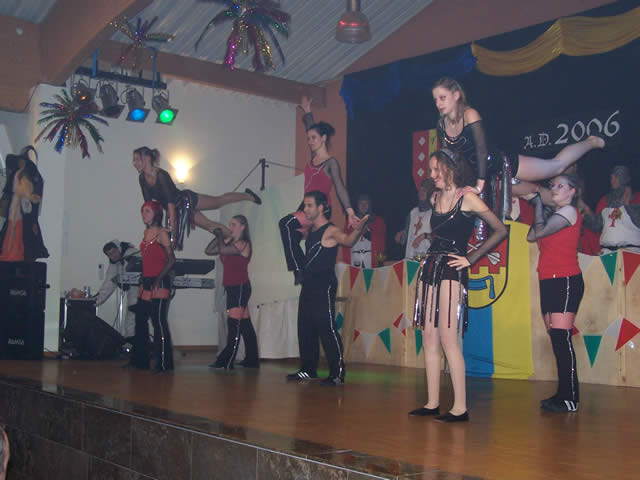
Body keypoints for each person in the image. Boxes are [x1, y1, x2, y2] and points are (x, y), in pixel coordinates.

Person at [409, 149, 507, 422]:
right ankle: (432, 403)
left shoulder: (467, 197)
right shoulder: (434, 197)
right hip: (430, 267)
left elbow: (500, 229)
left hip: (452, 269)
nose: (431, 175)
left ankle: (460, 407)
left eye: (435, 169)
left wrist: (472, 258)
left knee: (448, 339)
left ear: (450, 167)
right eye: (430, 170)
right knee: (429, 336)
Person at [432, 78, 605, 204]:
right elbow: (448, 160)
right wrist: (446, 188)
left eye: (442, 98)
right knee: (534, 191)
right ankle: (566, 208)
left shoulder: (470, 114)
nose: (438, 103)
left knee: (555, 166)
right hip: (486, 178)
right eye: (435, 99)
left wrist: (479, 186)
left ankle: (592, 142)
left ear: (456, 95)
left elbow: (482, 151)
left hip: (501, 165)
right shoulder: (441, 125)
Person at [286, 190, 369, 385]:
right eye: (305, 206)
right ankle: (308, 370)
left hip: (323, 284)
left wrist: (358, 229)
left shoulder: (330, 230)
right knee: (305, 327)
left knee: (326, 327)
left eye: (309, 206)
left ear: (321, 207)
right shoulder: (310, 230)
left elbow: (348, 241)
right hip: (309, 284)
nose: (305, 209)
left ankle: (337, 372)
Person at [279, 96, 358, 284]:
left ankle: (298, 269)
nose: (310, 141)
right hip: (306, 206)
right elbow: (311, 128)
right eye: (308, 139)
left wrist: (350, 211)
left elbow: (340, 187)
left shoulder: (330, 163)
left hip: (321, 207)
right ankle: (304, 270)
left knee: (285, 223)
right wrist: (308, 111)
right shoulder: (312, 157)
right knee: (295, 235)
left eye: (314, 138)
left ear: (323, 138)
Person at [526, 174, 584, 412]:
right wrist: (541, 208)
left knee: (561, 337)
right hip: (548, 281)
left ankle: (571, 398)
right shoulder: (555, 217)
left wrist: (538, 204)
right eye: (553, 186)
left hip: (565, 280)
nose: (555, 189)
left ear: (572, 191)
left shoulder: (570, 211)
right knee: (557, 340)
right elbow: (531, 235)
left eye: (561, 186)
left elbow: (538, 233)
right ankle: (563, 394)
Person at [133, 147, 261, 250]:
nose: (134, 163)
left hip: (186, 201)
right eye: (134, 160)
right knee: (209, 226)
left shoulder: (161, 175)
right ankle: (235, 238)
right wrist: (152, 227)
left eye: (137, 159)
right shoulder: (142, 178)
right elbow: (149, 205)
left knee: (218, 202)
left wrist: (172, 227)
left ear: (147, 158)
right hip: (179, 211)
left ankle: (248, 195)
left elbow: (170, 202)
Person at [205, 215, 259, 369]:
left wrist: (220, 235)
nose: (230, 227)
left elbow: (222, 250)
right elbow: (209, 251)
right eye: (230, 224)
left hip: (240, 287)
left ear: (242, 227)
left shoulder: (243, 243)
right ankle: (252, 360)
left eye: (234, 224)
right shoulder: (229, 242)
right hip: (233, 287)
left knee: (234, 325)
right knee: (245, 325)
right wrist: (220, 236)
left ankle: (226, 361)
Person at [130, 200, 176, 372]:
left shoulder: (161, 233)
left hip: (159, 281)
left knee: (158, 322)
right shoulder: (146, 232)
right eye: (143, 211)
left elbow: (171, 260)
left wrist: (158, 279)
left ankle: (164, 363)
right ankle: (140, 360)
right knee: (140, 319)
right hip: (147, 281)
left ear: (156, 213)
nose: (144, 214)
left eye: (147, 211)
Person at [581, 165, 640, 253]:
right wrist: (586, 210)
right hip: (608, 252)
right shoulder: (605, 201)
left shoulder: (638, 199)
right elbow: (597, 226)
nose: (613, 180)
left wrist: (627, 206)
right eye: (612, 177)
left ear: (626, 178)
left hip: (632, 252)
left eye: (617, 177)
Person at [93, 240, 139, 340]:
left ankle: (137, 341)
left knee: (136, 316)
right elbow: (107, 286)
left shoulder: (132, 253)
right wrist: (94, 301)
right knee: (131, 316)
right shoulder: (114, 266)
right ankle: (131, 341)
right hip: (133, 290)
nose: (113, 256)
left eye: (114, 252)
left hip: (145, 288)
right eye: (110, 254)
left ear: (118, 249)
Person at [395, 178, 435, 260]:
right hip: (410, 256)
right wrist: (401, 234)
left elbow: (438, 238)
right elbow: (407, 233)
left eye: (424, 191)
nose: (420, 193)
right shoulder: (413, 212)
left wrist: (424, 236)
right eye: (419, 190)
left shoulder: (434, 213)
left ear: (430, 193)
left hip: (426, 258)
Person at [343, 194, 386, 268]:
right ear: (357, 205)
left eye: (366, 203)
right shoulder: (350, 222)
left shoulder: (378, 221)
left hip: (372, 260)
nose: (363, 206)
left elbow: (381, 242)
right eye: (361, 203)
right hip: (354, 259)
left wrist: (368, 233)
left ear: (370, 205)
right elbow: (346, 242)